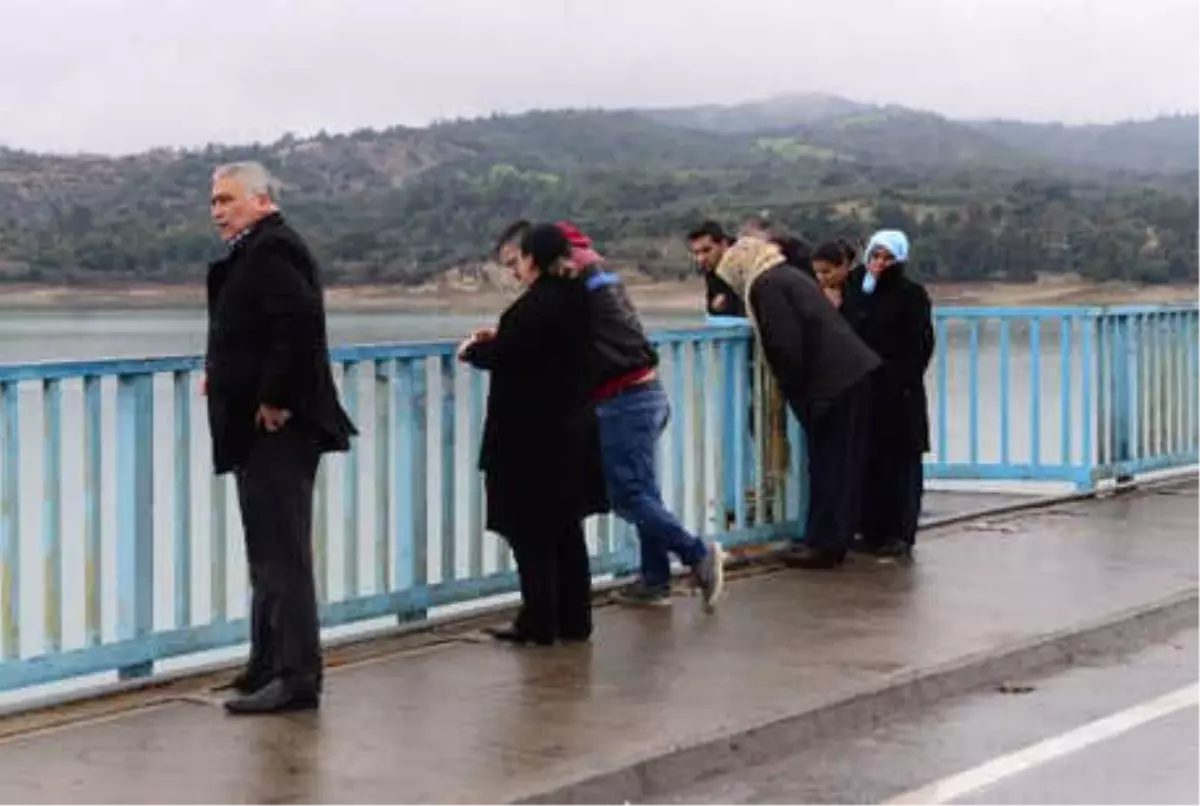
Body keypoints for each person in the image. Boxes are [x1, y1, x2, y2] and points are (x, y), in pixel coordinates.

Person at [205, 161, 356, 714]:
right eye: (214, 202)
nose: (217, 210)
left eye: (228, 199)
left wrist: (277, 397)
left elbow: (298, 322)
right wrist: (220, 375)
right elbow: (255, 330)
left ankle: (296, 678)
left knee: (282, 554)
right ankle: (266, 664)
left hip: (278, 427)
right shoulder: (258, 248)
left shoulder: (273, 248)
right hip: (258, 424)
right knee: (265, 551)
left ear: (262, 200)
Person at [558, 221, 726, 610]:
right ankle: (654, 580)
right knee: (643, 492)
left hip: (625, 400)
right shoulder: (603, 280)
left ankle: (698, 554)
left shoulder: (583, 287)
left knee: (627, 494)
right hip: (645, 394)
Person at [458, 222, 605, 646]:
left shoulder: (536, 305)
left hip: (530, 440)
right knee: (564, 530)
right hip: (571, 431)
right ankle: (574, 621)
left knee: (530, 532)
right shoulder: (576, 298)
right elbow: (539, 350)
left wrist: (473, 350)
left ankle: (539, 621)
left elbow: (511, 355)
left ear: (533, 259)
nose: (516, 268)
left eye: (519, 259)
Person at [716, 237, 880, 569]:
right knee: (840, 464)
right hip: (851, 374)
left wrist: (797, 395)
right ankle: (832, 539)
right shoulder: (786, 275)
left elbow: (785, 346)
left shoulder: (766, 286)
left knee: (829, 465)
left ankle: (824, 546)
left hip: (833, 383)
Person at [841, 230, 934, 563]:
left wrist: (900, 378)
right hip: (863, 390)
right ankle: (869, 530)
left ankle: (900, 533)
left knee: (901, 465)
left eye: (887, 258)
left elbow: (921, 344)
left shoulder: (911, 295)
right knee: (867, 462)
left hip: (899, 394)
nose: (879, 264)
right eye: (875, 256)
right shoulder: (853, 289)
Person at [687, 220, 746, 317]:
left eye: (707, 250)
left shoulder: (745, 262)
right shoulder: (712, 268)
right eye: (696, 253)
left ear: (723, 244)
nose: (701, 258)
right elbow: (713, 308)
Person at [812, 239, 857, 308]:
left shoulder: (860, 289)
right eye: (817, 272)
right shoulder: (812, 293)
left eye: (826, 272)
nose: (820, 277)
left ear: (845, 265)